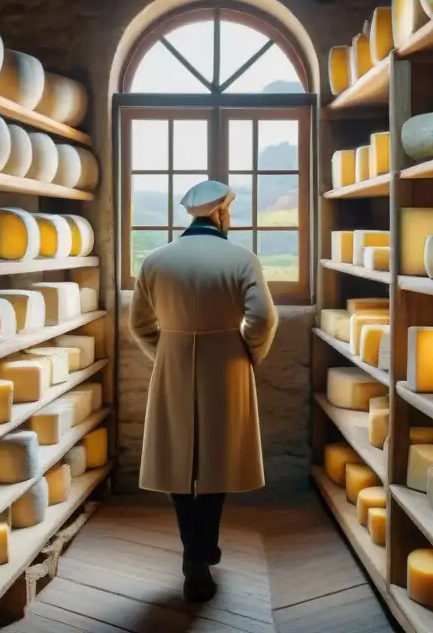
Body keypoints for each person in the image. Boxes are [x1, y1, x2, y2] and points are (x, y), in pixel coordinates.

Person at [129, 179, 278, 604]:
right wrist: (247, 351)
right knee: (217, 459)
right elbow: (263, 320)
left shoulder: (156, 260)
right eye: (230, 210)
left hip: (173, 362)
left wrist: (169, 350)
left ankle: (194, 552)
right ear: (221, 213)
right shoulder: (241, 258)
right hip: (226, 365)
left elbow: (138, 324)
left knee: (178, 459)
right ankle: (200, 551)